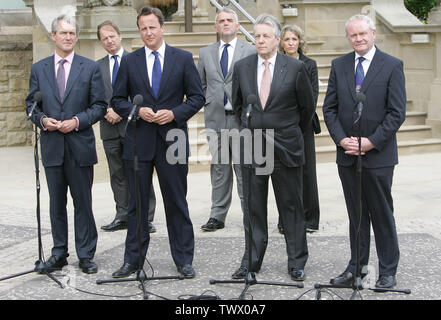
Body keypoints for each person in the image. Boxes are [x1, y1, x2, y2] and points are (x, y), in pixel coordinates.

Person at [110, 6, 205, 279]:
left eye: (152, 27)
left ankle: (184, 260)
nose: (148, 32)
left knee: (176, 201)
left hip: (173, 138)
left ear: (162, 28)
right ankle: (133, 261)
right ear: (139, 31)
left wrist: (175, 113)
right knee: (136, 205)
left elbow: (198, 97)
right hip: (138, 141)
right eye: (143, 28)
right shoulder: (129, 61)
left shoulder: (183, 58)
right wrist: (136, 111)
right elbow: (117, 100)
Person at [322, 14, 406, 289]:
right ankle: (356, 267)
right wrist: (341, 139)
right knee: (356, 215)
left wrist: (371, 141)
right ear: (348, 37)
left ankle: (388, 270)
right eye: (353, 35)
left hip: (378, 155)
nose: (358, 39)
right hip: (347, 155)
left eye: (362, 34)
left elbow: (397, 113)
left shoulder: (392, 66)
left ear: (373, 34)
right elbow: (329, 109)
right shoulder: (340, 65)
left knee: (381, 213)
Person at [231, 14, 315, 281]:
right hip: (253, 146)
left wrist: (287, 131)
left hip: (286, 146)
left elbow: (307, 108)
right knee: (254, 208)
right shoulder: (242, 67)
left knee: (291, 206)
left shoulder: (294, 68)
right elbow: (238, 106)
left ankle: (296, 261)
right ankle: (252, 260)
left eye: (266, 36)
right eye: (256, 36)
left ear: (277, 40)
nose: (260, 40)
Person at [25, 15, 106, 274]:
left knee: (83, 203)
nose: (68, 37)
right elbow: (31, 105)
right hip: (52, 148)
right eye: (63, 33)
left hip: (79, 145)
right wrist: (42, 120)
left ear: (77, 36)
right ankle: (58, 253)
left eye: (72, 33)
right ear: (54, 36)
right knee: (56, 204)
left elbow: (99, 106)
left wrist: (76, 120)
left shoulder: (90, 68)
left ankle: (85, 254)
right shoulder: (39, 69)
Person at [197, 8, 255, 232]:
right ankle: (217, 215)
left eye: (230, 20)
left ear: (238, 26)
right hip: (216, 119)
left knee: (243, 167)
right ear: (216, 27)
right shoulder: (205, 53)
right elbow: (200, 84)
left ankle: (250, 213)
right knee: (219, 168)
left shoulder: (249, 50)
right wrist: (209, 101)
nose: (226, 23)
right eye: (221, 21)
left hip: (241, 120)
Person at [96, 20, 157, 233]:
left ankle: (146, 217)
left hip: (134, 126)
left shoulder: (137, 60)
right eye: (104, 38)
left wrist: (122, 110)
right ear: (101, 42)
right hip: (109, 128)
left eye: (112, 35)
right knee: (117, 174)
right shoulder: (98, 66)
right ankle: (122, 215)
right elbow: (94, 96)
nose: (109, 40)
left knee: (141, 172)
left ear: (120, 36)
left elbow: (143, 92)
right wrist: (106, 110)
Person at [278, 24, 321, 234]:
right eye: (287, 39)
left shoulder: (309, 64)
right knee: (284, 173)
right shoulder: (277, 63)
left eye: (294, 39)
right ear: (281, 43)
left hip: (303, 125)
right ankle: (286, 219)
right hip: (282, 126)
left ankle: (310, 218)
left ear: (299, 42)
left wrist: (297, 120)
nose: (291, 43)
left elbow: (312, 97)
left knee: (306, 172)